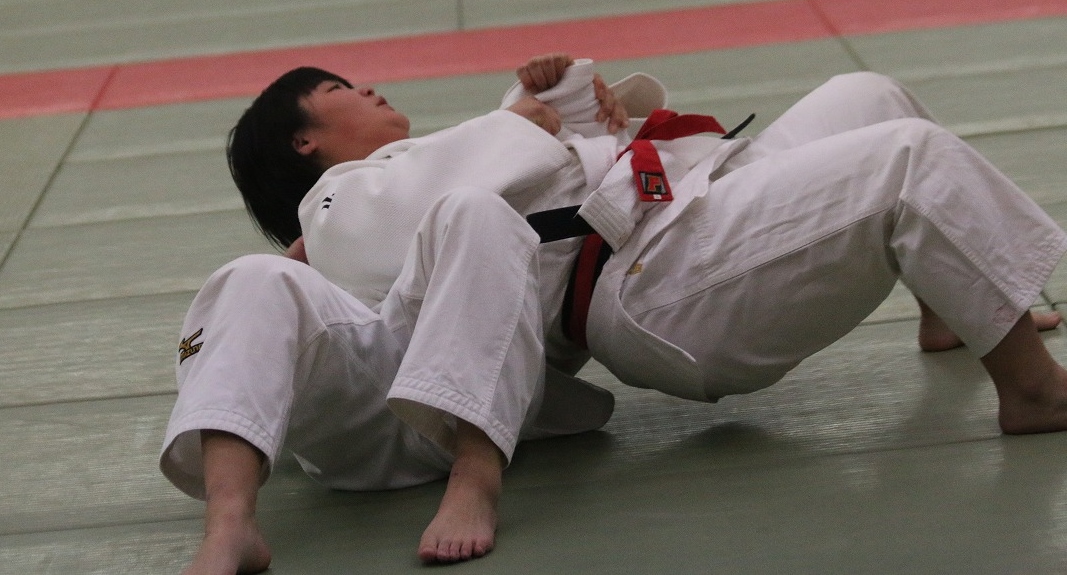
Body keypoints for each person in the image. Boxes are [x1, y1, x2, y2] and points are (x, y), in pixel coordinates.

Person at [165, 55, 1066, 573]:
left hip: (675, 211)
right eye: (339, 87)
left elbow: (523, 155)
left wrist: (574, 100)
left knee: (866, 94)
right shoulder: (335, 204)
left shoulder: (441, 155)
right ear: (303, 138)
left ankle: (946, 308)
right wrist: (528, 119)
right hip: (646, 282)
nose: (368, 87)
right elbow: (448, 199)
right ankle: (1030, 389)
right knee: (906, 157)